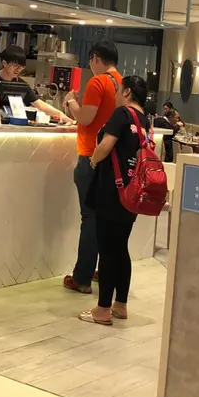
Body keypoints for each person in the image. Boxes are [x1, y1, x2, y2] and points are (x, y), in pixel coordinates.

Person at [78, 75, 152, 326]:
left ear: (127, 91)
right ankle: (120, 305)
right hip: (132, 191)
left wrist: (93, 160)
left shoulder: (122, 114)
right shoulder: (143, 120)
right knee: (120, 247)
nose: (117, 94)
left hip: (112, 190)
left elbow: (106, 145)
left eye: (119, 90)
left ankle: (102, 310)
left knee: (108, 249)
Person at [63, 40, 122, 293]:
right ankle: (102, 270)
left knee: (90, 217)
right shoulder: (122, 83)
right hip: (112, 158)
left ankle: (82, 278)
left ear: (96, 58)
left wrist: (70, 102)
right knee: (105, 218)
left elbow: (86, 118)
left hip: (91, 155)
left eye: (90, 60)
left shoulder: (97, 82)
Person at [0, 46, 65, 121]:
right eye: (15, 65)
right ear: (4, 63)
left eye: (21, 67)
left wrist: (62, 115)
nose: (18, 70)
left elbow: (40, 104)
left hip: (8, 125)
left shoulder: (21, 85)